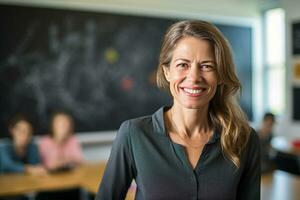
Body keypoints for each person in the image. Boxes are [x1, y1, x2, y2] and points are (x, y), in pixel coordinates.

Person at [96, 20, 260, 200]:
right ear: (167, 71)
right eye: (183, 64)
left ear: (220, 75)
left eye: (207, 66)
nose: (194, 77)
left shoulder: (244, 140)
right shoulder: (133, 135)